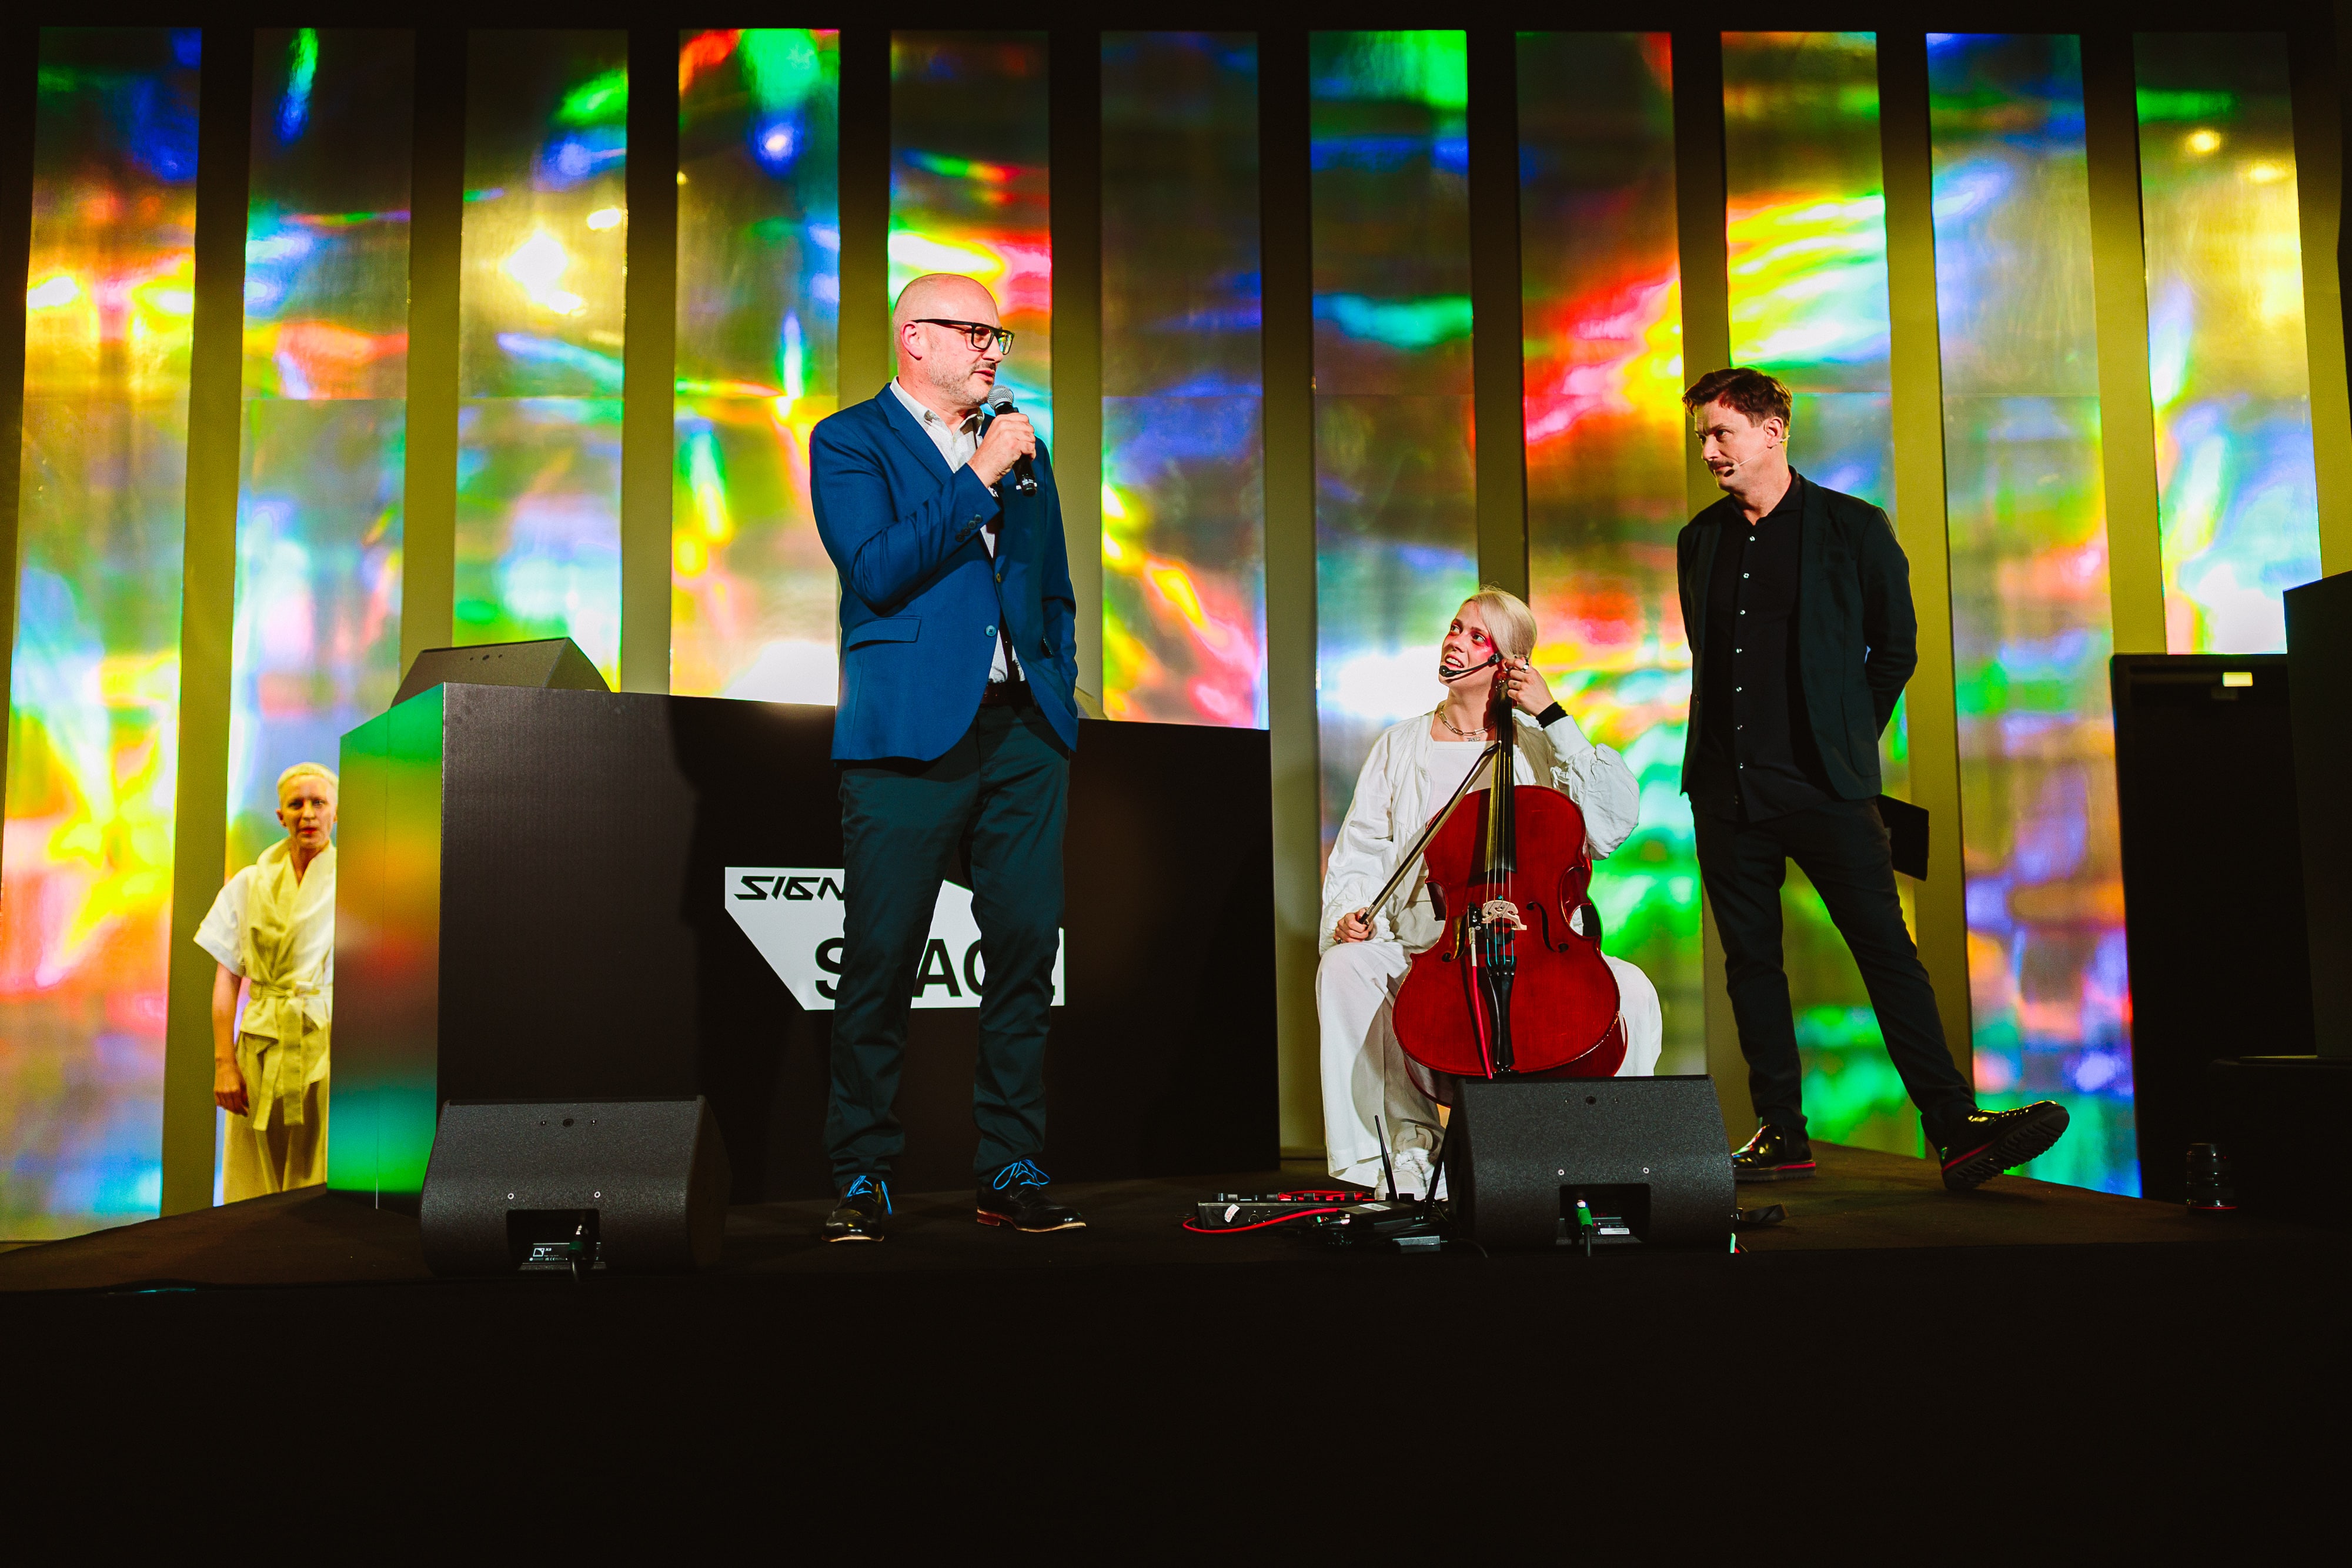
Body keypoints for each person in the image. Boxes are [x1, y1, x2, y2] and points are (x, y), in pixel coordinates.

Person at [1678, 366, 2069, 1191]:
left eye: (1722, 432)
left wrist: (1846, 739)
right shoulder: (1700, 539)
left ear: (1772, 431)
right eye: (1704, 435)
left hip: (1827, 787)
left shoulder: (1852, 528)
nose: (1708, 449)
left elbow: (1896, 647)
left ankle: (1955, 1125)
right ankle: (1782, 1131)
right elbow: (1712, 662)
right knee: (1751, 964)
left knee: (1887, 952)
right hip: (1726, 791)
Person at [806, 272, 1083, 1243]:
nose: (994, 351)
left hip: (1022, 734)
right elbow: (877, 566)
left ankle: (1010, 1162)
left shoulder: (1021, 444)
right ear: (914, 338)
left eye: (999, 334)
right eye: (975, 333)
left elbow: (1052, 587)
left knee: (1022, 953)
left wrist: (1059, 690)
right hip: (907, 731)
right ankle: (862, 1171)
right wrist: (978, 478)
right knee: (880, 955)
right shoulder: (850, 439)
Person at [1318, 587, 1664, 1197]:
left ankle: (1600, 1155)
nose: (1456, 640)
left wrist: (1554, 717)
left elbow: (1610, 827)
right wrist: (1351, 912)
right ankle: (1396, 1158)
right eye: (1455, 628)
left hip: (1534, 949)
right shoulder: (1401, 745)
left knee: (1631, 990)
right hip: (1425, 948)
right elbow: (1363, 851)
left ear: (1510, 663)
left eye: (1478, 636)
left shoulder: (1537, 746)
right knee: (1344, 969)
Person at [198, 763, 338, 1201]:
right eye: (297, 804)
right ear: (281, 816)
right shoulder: (248, 883)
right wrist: (225, 1063)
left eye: (319, 803)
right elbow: (227, 976)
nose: (308, 813)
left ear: (336, 813)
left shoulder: (357, 880)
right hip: (260, 1044)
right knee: (253, 1179)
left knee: (320, 1174)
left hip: (327, 1045)